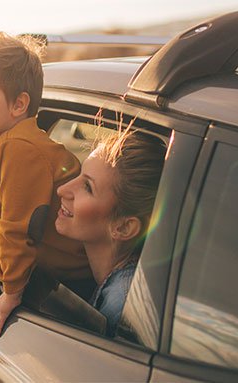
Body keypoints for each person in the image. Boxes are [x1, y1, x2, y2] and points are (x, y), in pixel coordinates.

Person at [0, 32, 91, 339]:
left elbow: (19, 226)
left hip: (76, 277)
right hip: (48, 271)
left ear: (18, 105)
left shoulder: (20, 148)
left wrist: (11, 291)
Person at [53, 129, 166, 336]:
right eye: (79, 175)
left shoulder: (120, 306)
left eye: (87, 187)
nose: (62, 190)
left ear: (123, 227)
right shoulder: (126, 284)